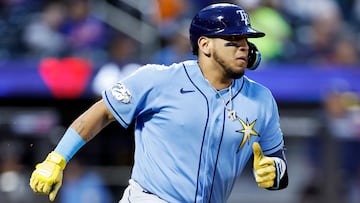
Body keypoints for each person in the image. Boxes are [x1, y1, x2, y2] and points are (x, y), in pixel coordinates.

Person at [29, 3, 289, 202]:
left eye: (245, 40)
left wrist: (276, 172)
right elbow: (101, 113)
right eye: (232, 40)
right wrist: (57, 159)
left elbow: (277, 160)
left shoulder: (261, 99)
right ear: (205, 45)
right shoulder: (158, 79)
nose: (243, 47)